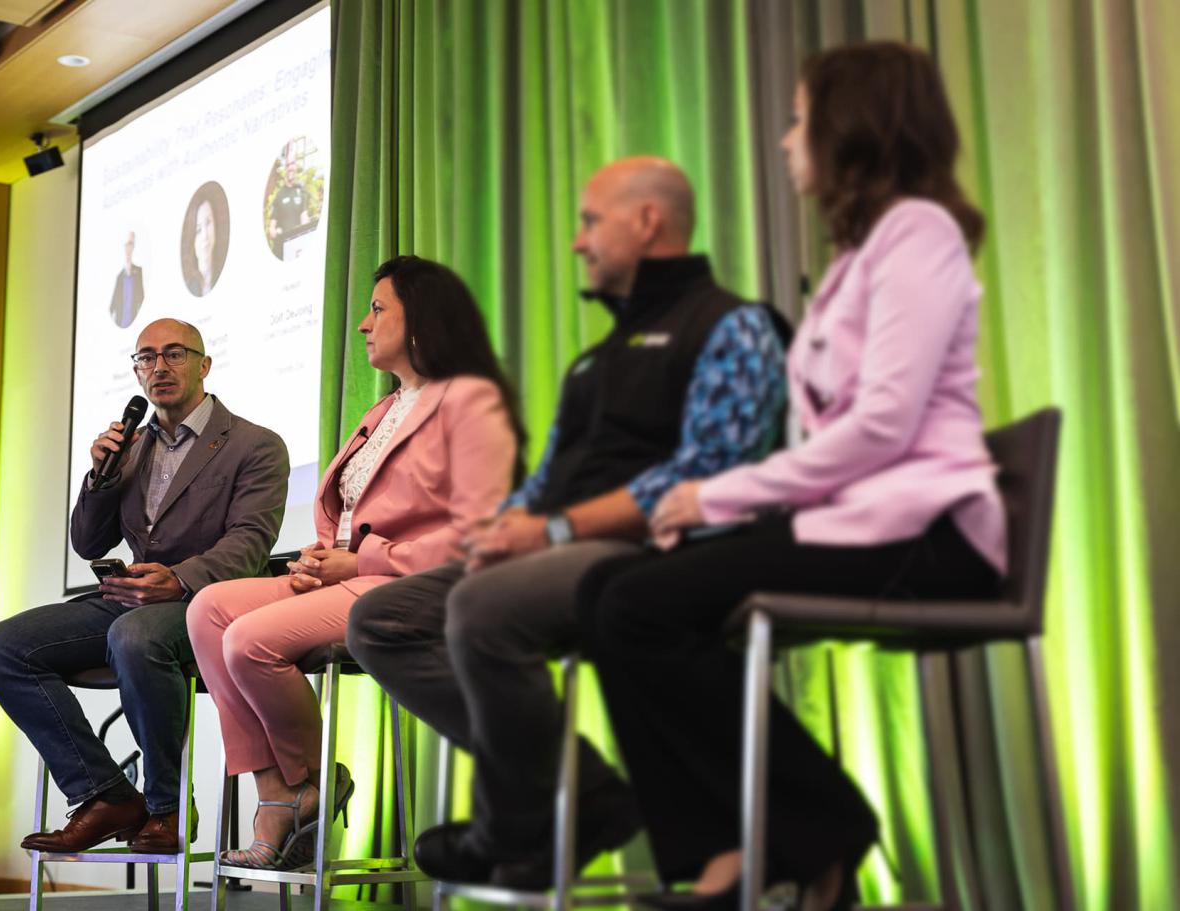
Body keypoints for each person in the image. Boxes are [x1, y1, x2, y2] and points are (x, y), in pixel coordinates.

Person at [578, 42, 1006, 911]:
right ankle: (741, 848)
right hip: (859, 522)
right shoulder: (863, 254)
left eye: (803, 119)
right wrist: (706, 513)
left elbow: (881, 426)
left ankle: (810, 830)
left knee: (632, 604)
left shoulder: (917, 234)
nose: (786, 140)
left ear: (853, 128)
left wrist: (716, 496)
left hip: (929, 533)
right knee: (612, 593)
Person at [346, 157, 791, 889]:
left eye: (590, 223)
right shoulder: (596, 362)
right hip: (558, 549)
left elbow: (717, 466)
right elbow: (549, 475)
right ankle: (582, 791)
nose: (578, 243)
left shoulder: (731, 326)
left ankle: (514, 826)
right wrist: (512, 525)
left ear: (647, 222)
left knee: (481, 603)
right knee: (383, 618)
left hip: (652, 546)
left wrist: (554, 530)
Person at [187, 256, 521, 870]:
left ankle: (306, 786)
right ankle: (283, 793)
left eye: (378, 309)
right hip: (352, 573)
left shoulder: (468, 403)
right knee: (209, 610)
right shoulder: (383, 410)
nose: (363, 325)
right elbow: (347, 509)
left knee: (248, 642)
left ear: (420, 320)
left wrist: (364, 556)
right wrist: (323, 554)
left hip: (409, 582)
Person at [0, 318, 289, 854]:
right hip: (132, 597)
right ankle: (104, 794)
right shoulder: (132, 446)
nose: (159, 368)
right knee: (2, 647)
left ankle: (166, 808)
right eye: (146, 358)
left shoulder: (255, 444)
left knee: (136, 637)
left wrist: (181, 579)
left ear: (204, 364)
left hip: (211, 602)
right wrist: (100, 475)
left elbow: (250, 543)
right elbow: (88, 541)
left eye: (174, 354)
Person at [268, 159, 311, 259]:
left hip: (296, 247)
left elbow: (304, 217)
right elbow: (271, 231)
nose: (291, 169)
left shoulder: (301, 193)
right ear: (286, 170)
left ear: (296, 171)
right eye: (289, 167)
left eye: (293, 167)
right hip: (281, 249)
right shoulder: (279, 196)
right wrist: (277, 232)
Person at [109, 231, 144, 328]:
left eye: (131, 244)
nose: (129, 248)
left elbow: (141, 298)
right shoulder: (119, 277)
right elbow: (112, 307)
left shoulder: (139, 272)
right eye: (127, 244)